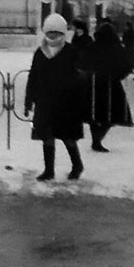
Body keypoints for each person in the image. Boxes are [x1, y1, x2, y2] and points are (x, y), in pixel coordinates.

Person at [25, 13, 85, 181]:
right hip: (45, 102)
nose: (52, 36)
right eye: (49, 33)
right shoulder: (40, 52)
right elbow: (33, 77)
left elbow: (79, 77)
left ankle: (77, 165)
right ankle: (49, 170)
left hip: (66, 103)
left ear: (62, 34)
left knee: (68, 136)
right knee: (47, 136)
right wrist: (28, 100)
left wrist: (77, 97)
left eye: (56, 33)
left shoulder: (71, 52)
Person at [79, 21, 133, 152]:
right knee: (113, 114)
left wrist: (89, 74)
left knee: (93, 114)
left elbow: (82, 63)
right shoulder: (117, 48)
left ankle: (95, 139)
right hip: (111, 85)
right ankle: (97, 139)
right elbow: (126, 65)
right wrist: (116, 76)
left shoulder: (93, 47)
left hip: (93, 85)